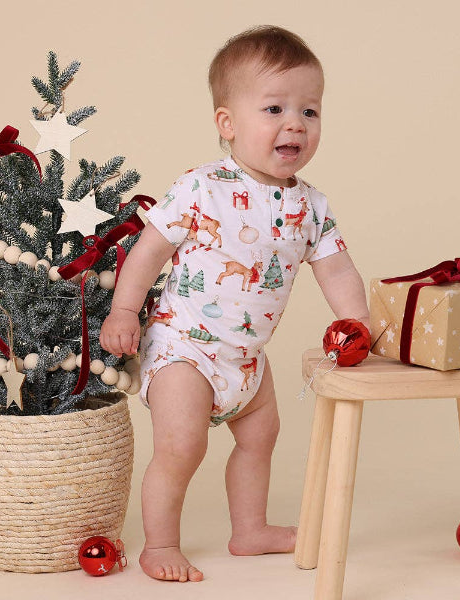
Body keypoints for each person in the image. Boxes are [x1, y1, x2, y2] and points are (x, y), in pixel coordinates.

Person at [100, 25, 370, 583]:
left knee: (260, 436)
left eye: (310, 110)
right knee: (182, 445)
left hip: (247, 358)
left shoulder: (311, 205)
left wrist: (358, 321)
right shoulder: (202, 186)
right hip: (185, 348)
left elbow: (337, 269)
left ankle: (249, 529)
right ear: (227, 123)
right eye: (274, 108)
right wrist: (125, 311)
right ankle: (159, 544)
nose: (294, 123)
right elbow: (149, 250)